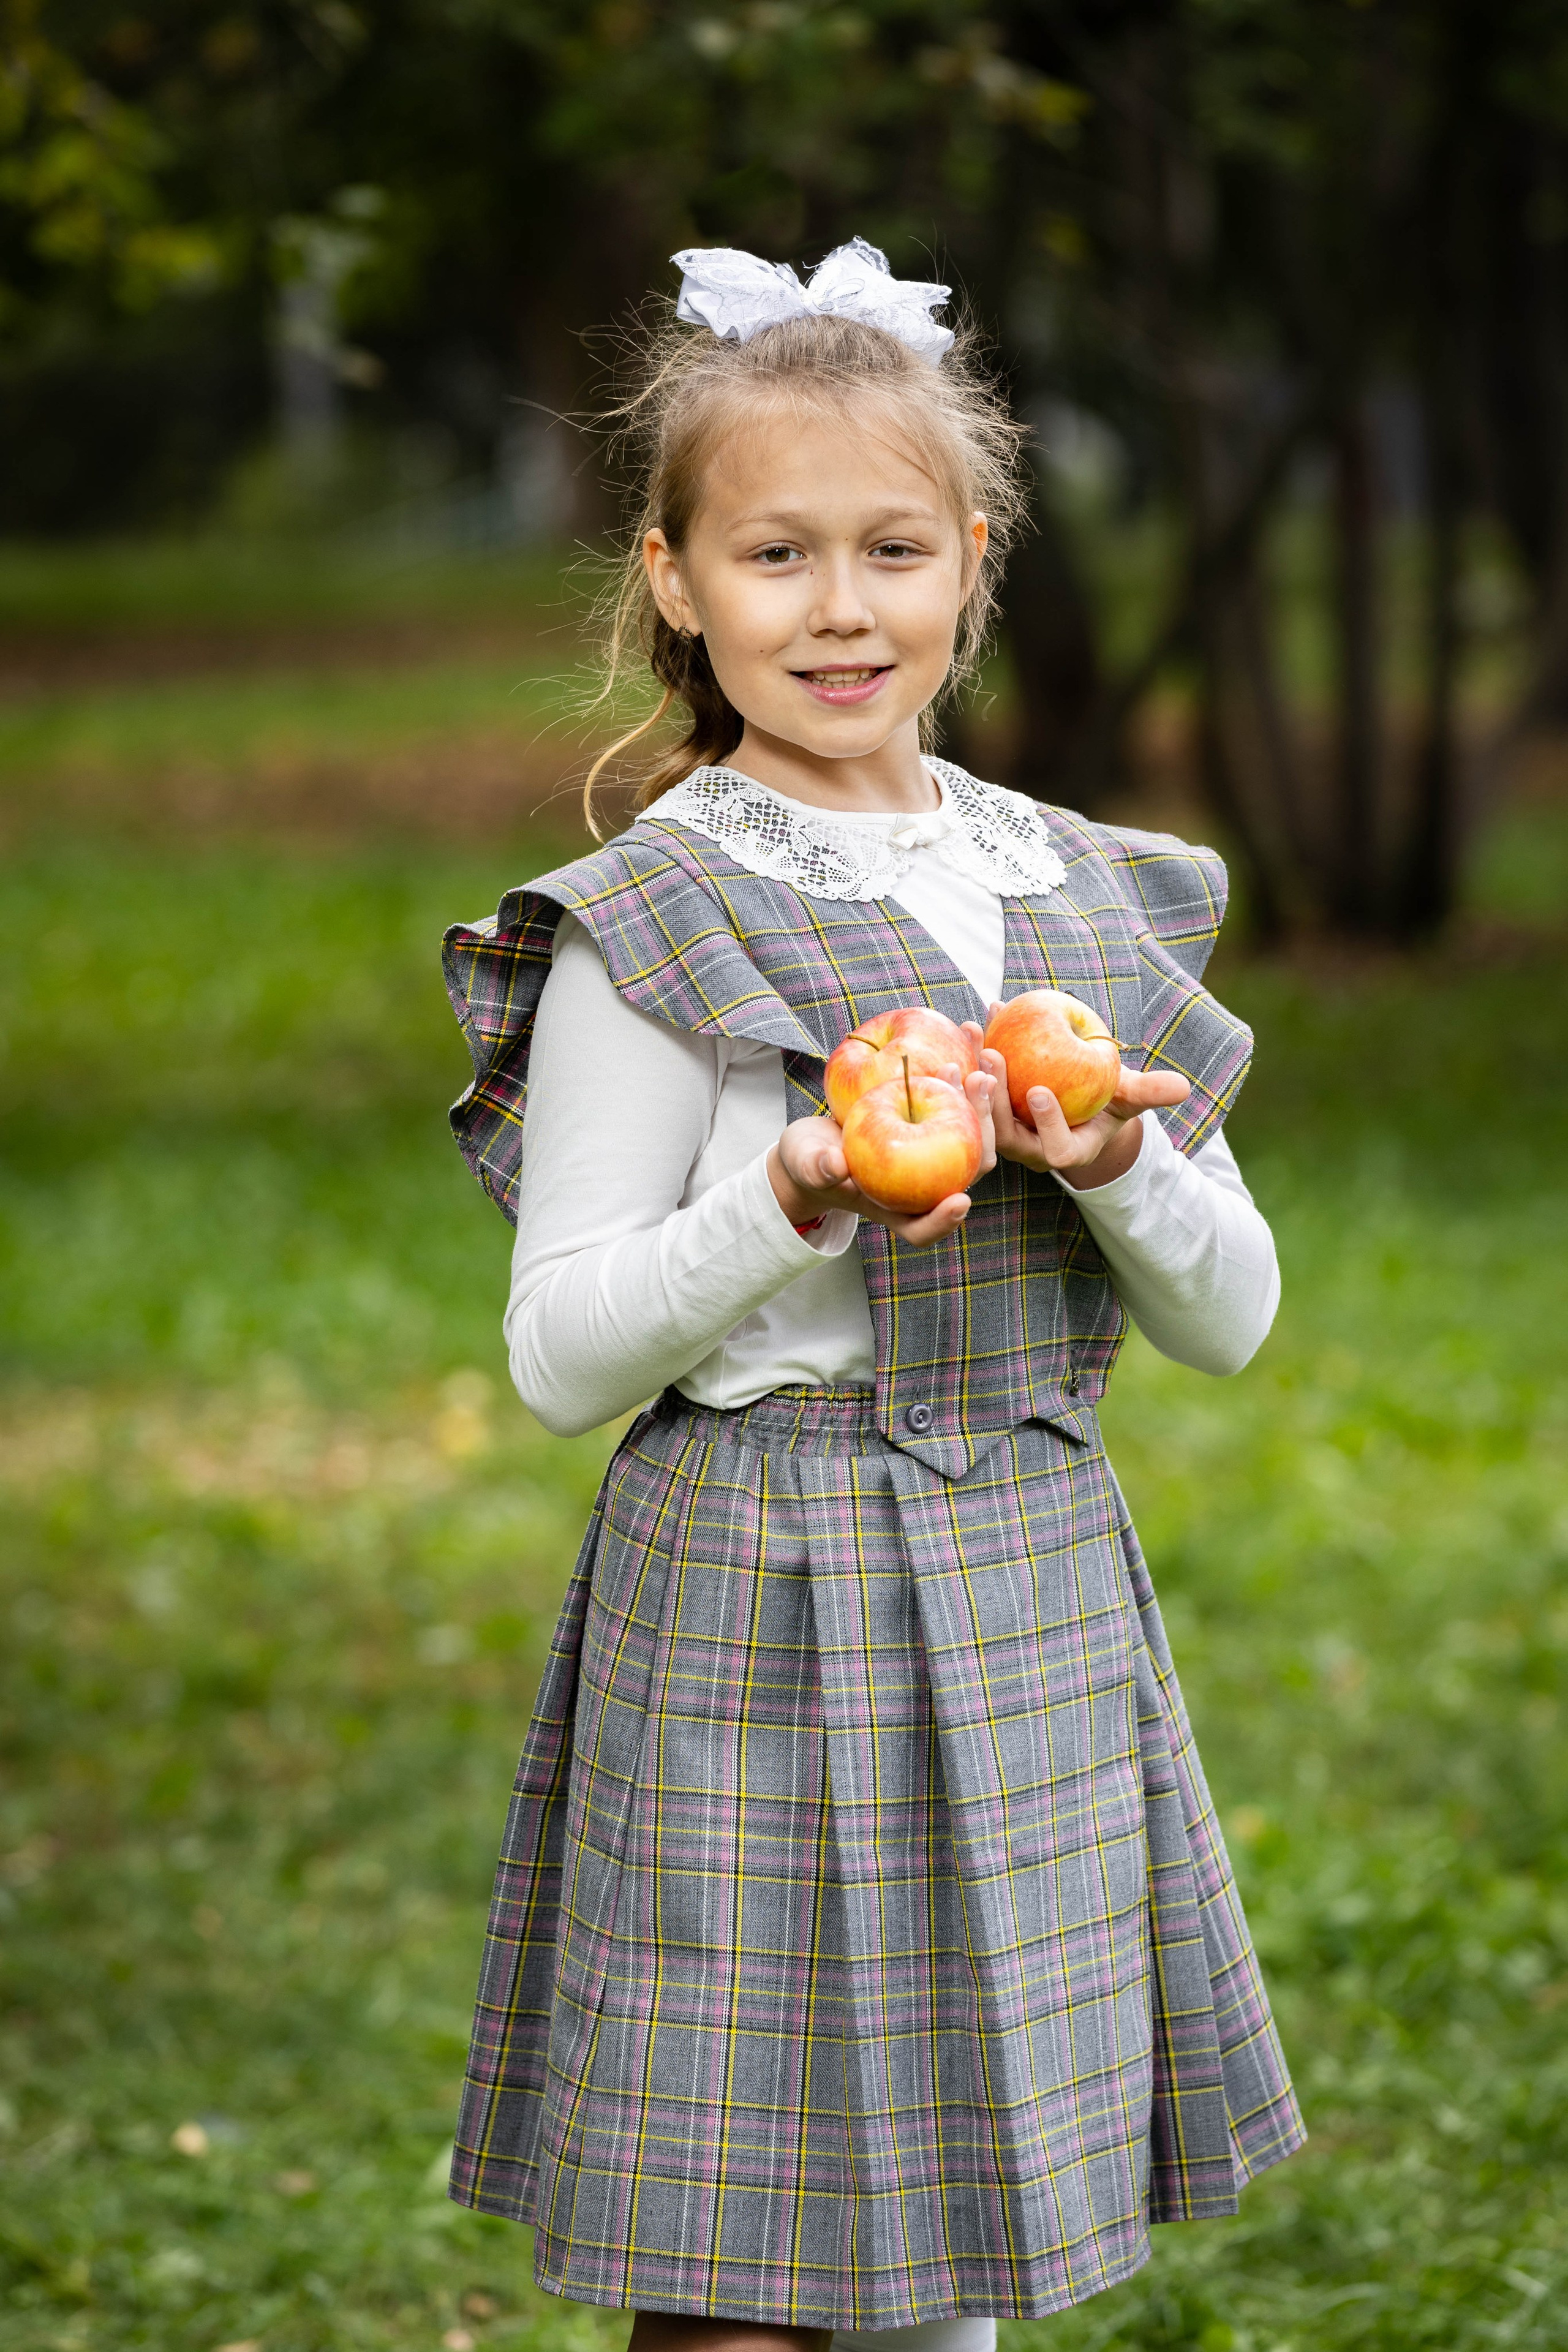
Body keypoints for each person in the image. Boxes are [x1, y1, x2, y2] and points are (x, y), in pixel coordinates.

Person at [441, 238, 1305, 2352]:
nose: (841, 608)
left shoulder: (1070, 889)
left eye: (893, 550)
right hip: (756, 1586)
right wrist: (799, 1190)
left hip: (1026, 1576)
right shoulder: (658, 916)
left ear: (973, 564)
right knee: (739, 2265)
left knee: (964, 2217)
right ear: (674, 576)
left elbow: (1235, 1320)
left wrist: (1118, 1160)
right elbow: (563, 1355)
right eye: (778, 553)